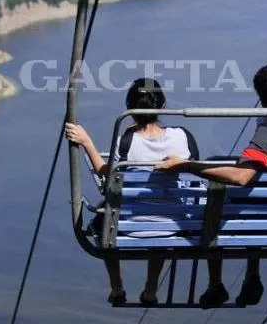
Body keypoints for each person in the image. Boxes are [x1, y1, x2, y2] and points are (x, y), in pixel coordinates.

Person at [156, 61, 267, 308]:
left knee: (217, 196)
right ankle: (252, 274)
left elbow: (241, 176)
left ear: (264, 97)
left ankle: (215, 283)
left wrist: (187, 165)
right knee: (256, 195)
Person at [65, 77, 200, 306]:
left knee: (103, 218)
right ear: (163, 106)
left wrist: (87, 142)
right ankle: (150, 289)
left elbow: (105, 174)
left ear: (131, 109)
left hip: (132, 224)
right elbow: (195, 168)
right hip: (173, 225)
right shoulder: (183, 136)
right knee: (161, 217)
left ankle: (117, 287)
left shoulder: (126, 142)